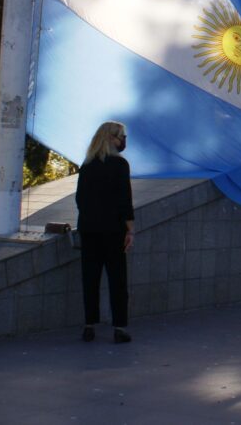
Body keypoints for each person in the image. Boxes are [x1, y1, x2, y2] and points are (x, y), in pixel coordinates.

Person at [75, 121, 135, 343]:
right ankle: (119, 327)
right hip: (113, 230)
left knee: (90, 278)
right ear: (111, 138)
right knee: (117, 279)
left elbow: (80, 199)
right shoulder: (120, 165)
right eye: (122, 137)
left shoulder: (87, 165)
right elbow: (124, 200)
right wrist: (130, 229)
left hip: (89, 229)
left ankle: (89, 325)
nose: (124, 141)